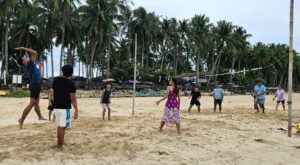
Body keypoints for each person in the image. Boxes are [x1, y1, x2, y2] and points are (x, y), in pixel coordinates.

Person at [16, 47, 46, 129]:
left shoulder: (31, 65)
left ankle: (40, 116)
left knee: (36, 102)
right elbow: (35, 52)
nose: (27, 57)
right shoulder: (30, 64)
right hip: (35, 85)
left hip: (36, 84)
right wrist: (23, 48)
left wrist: (40, 68)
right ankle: (21, 119)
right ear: (24, 62)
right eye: (25, 58)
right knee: (32, 103)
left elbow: (39, 76)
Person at [52, 65, 79, 150]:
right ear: (71, 73)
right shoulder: (70, 83)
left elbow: (52, 94)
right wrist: (76, 110)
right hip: (65, 108)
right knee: (62, 126)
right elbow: (73, 98)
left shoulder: (55, 80)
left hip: (56, 107)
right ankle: (59, 146)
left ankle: (62, 141)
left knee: (60, 126)